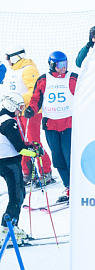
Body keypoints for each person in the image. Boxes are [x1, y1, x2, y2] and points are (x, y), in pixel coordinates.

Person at [26, 51, 77, 205]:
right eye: (60, 65)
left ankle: (77, 187)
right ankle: (68, 187)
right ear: (52, 65)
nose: (63, 67)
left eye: (65, 64)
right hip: (51, 126)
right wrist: (31, 109)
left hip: (69, 124)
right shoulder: (43, 80)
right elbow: (36, 99)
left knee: (70, 158)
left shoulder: (73, 78)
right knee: (58, 159)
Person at [4, 46, 54, 186]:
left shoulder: (28, 69)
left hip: (30, 112)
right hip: (16, 112)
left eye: (8, 57)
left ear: (16, 56)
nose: (7, 61)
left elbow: (35, 91)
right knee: (20, 143)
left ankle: (45, 172)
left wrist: (18, 100)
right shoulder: (13, 71)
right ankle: (27, 172)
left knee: (34, 141)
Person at [0, 91, 42, 244]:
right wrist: (35, 152)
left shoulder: (3, 118)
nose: (20, 111)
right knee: (17, 196)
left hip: (5, 161)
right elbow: (20, 148)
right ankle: (7, 229)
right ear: (11, 106)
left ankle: (11, 226)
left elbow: (15, 142)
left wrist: (30, 145)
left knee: (19, 193)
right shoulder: (9, 122)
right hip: (9, 162)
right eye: (20, 108)